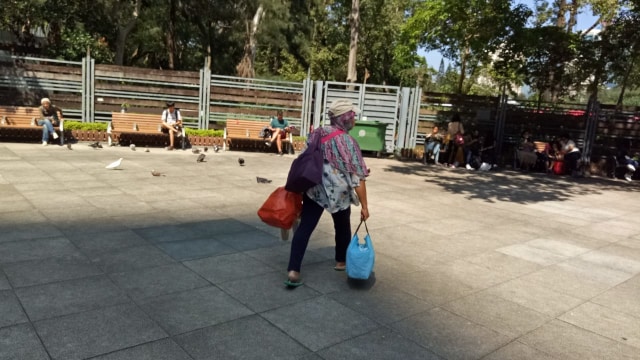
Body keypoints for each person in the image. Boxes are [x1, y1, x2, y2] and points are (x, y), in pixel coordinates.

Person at [285, 99, 370, 287]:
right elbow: (358, 177)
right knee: (342, 226)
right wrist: (364, 206)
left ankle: (293, 270)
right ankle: (341, 261)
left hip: (315, 189)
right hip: (340, 193)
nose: (355, 119)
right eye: (353, 116)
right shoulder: (349, 142)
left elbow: (305, 157)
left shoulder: (317, 133)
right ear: (346, 118)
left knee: (305, 228)